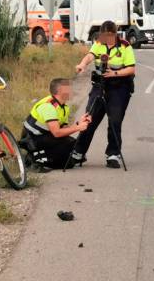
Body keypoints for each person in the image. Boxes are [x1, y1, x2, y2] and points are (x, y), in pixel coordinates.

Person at [71, 21, 136, 169]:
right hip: (100, 85)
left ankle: (113, 154)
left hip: (119, 86)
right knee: (89, 118)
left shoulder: (125, 46)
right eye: (104, 35)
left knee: (115, 120)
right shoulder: (99, 43)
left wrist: (115, 73)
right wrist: (82, 64)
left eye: (110, 35)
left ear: (115, 33)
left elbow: (131, 69)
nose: (107, 38)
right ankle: (79, 152)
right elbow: (90, 56)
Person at [20, 78, 92, 172]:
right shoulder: (49, 106)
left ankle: (43, 157)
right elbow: (57, 133)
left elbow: (64, 130)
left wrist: (79, 123)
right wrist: (78, 128)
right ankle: (33, 159)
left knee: (73, 145)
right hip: (32, 139)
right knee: (67, 154)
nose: (72, 90)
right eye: (69, 88)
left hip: (44, 136)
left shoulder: (63, 107)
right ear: (60, 91)